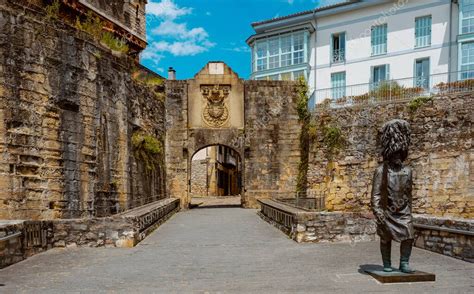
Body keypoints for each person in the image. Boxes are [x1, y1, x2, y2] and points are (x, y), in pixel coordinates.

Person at [371, 119, 415, 273]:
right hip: (386, 211)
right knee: (385, 238)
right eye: (395, 153)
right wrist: (379, 213)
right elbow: (375, 195)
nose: (398, 156)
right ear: (390, 153)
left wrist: (409, 211)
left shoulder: (408, 171)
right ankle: (387, 264)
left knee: (409, 235)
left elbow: (409, 194)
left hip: (403, 213)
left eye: (400, 153)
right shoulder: (380, 171)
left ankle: (404, 263)